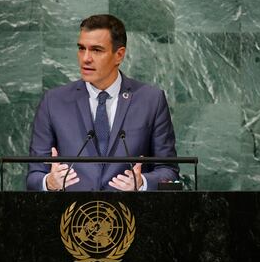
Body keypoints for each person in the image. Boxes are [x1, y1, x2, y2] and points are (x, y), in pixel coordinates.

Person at [27, 14, 179, 191]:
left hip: (131, 215)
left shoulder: (151, 100)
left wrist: (142, 183)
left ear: (119, 55)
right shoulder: (53, 102)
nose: (85, 58)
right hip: (71, 216)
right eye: (81, 48)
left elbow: (169, 172)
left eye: (96, 50)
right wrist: (48, 182)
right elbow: (34, 176)